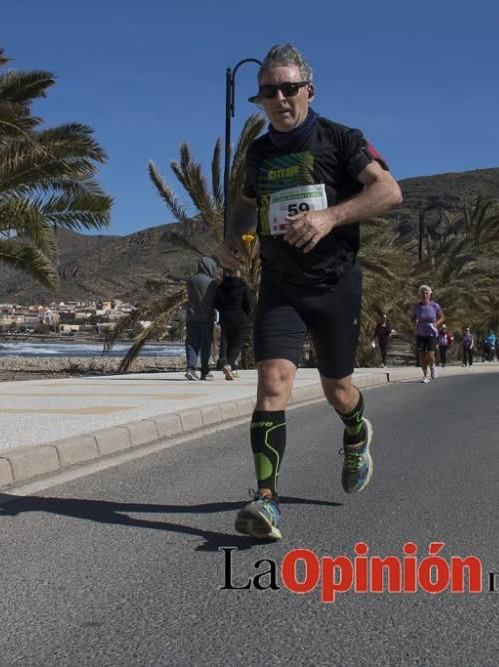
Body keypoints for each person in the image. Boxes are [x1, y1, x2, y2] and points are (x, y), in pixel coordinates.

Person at [217, 43, 403, 541]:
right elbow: (244, 203)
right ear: (260, 100)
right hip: (280, 285)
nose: (279, 98)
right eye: (268, 91)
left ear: (308, 91)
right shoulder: (258, 153)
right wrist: (233, 237)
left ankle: (356, 430)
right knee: (272, 382)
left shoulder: (342, 139)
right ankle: (266, 500)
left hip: (335, 283)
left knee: (337, 390)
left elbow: (389, 191)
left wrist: (329, 216)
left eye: (288, 88)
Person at [214, 269, 254, 380]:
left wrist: (223, 310)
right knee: (237, 344)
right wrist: (246, 314)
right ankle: (229, 365)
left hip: (225, 318)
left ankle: (233, 370)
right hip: (239, 319)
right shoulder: (243, 286)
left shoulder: (222, 286)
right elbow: (248, 304)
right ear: (238, 273)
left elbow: (216, 302)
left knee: (229, 343)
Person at [184, 256, 218, 380]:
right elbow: (215, 300)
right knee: (205, 345)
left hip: (192, 318)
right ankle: (205, 371)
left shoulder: (191, 280)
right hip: (207, 318)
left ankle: (190, 368)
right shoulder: (212, 283)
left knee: (191, 344)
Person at [409, 285, 445, 383]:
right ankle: (425, 376)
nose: (424, 295)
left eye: (426, 293)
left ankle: (433, 366)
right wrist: (415, 320)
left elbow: (442, 317)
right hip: (420, 333)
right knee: (421, 355)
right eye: (423, 293)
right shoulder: (417, 306)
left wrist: (436, 323)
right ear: (420, 294)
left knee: (430, 354)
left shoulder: (435, 305)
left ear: (430, 294)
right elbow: (412, 318)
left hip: (431, 333)